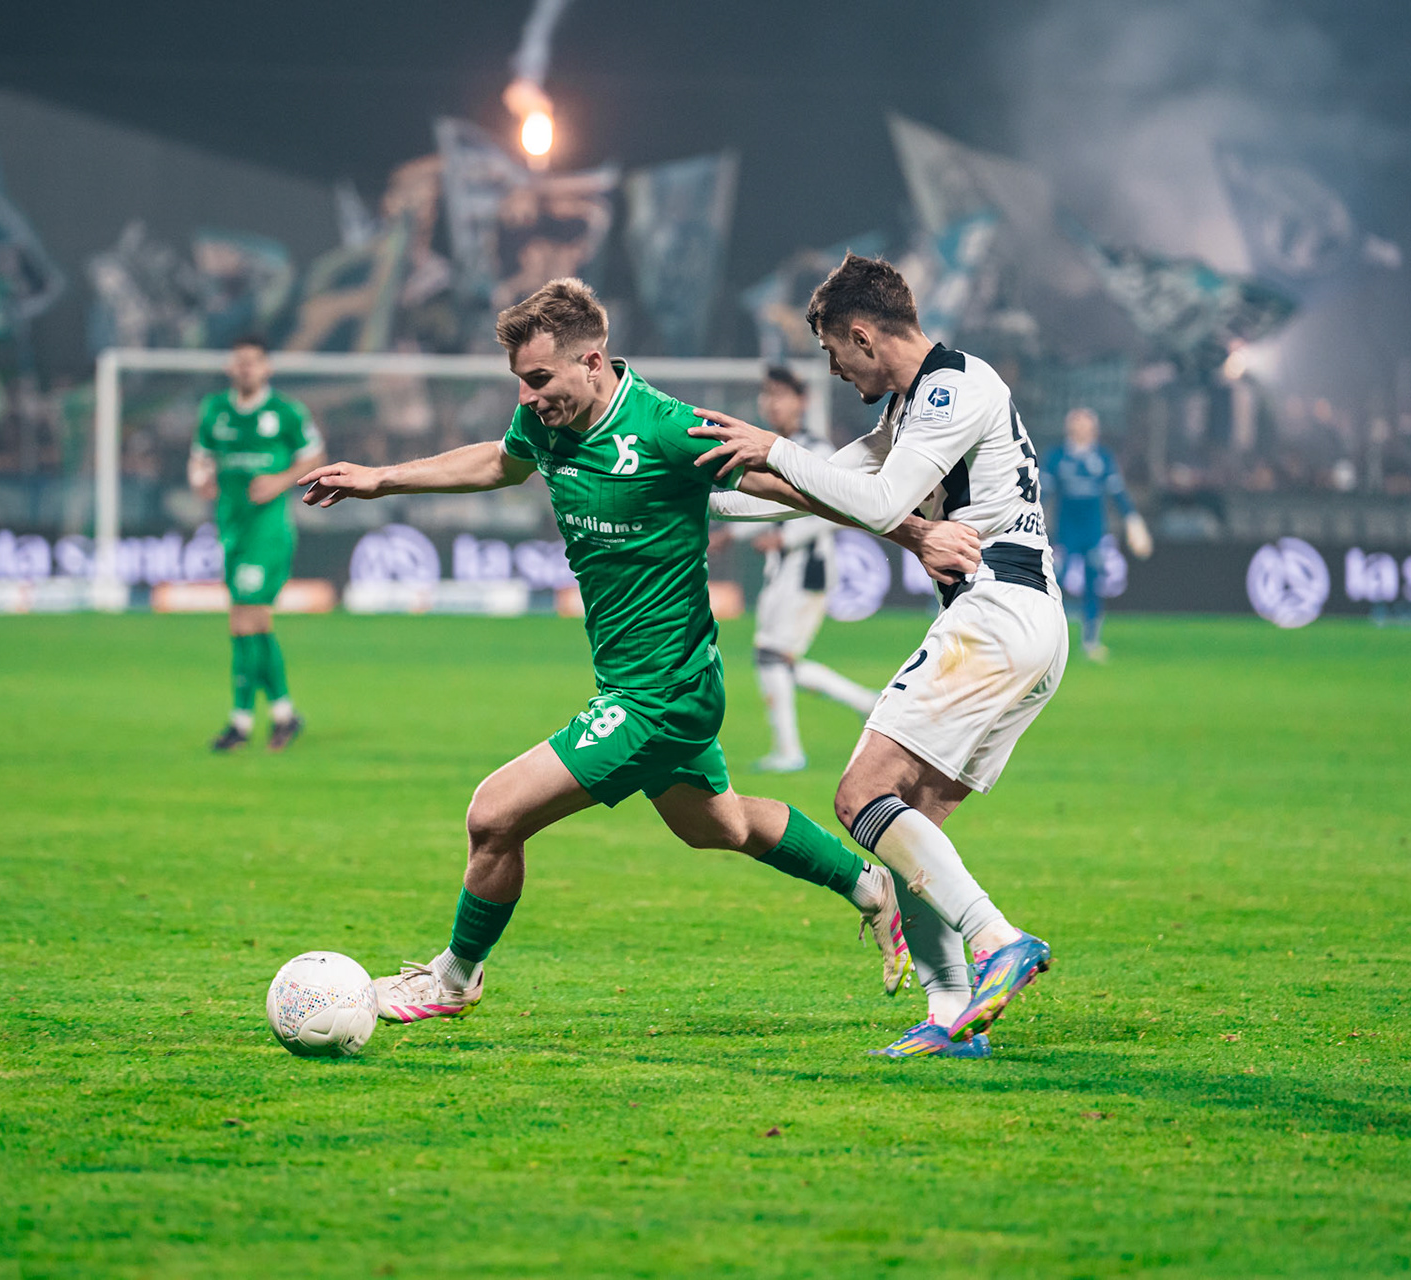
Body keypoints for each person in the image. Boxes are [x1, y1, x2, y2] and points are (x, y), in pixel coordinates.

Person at [295, 278, 983, 1024]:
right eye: (520, 383)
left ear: (592, 362)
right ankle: (870, 888)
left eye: (539, 379)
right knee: (716, 826)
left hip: (658, 696)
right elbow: (499, 461)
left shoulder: (663, 430)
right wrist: (381, 481)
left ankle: (454, 979)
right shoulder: (548, 424)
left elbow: (787, 487)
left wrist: (914, 533)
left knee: (494, 815)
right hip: (653, 681)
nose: (527, 398)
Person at [691, 253, 1063, 1059]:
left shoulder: (952, 388)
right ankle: (953, 1013)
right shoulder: (911, 411)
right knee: (910, 823)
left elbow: (882, 503)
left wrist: (773, 446)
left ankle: (999, 941)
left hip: (996, 613)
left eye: (832, 350)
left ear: (862, 333)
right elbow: (824, 486)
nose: (832, 367)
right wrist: (694, 494)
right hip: (1023, 622)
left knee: (860, 793)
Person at [731, 365, 879, 773]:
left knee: (771, 656)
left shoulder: (815, 447)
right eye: (767, 393)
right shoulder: (772, 446)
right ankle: (866, 703)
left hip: (808, 566)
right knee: (781, 660)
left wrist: (786, 539)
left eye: (780, 394)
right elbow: (768, 505)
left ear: (802, 400)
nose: (771, 402)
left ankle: (789, 751)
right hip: (783, 570)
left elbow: (836, 506)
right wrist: (733, 533)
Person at [189, 336, 324, 752]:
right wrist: (199, 476)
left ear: (267, 368)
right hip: (231, 529)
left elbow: (314, 457)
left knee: (243, 621)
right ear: (231, 367)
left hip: (268, 533)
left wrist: (280, 481)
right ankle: (284, 714)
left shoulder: (285, 412)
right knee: (254, 622)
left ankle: (240, 722)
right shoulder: (214, 410)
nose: (246, 368)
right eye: (240, 362)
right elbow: (200, 457)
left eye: (254, 362)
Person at [1042, 407, 1151, 662]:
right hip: (1064, 534)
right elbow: (1042, 495)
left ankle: (1091, 641)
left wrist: (1133, 521)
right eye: (1077, 423)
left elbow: (1118, 494)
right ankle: (1046, 641)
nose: (1082, 428)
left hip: (1093, 533)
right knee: (1053, 584)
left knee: (1093, 585)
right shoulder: (1056, 457)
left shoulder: (1102, 458)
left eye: (1087, 424)